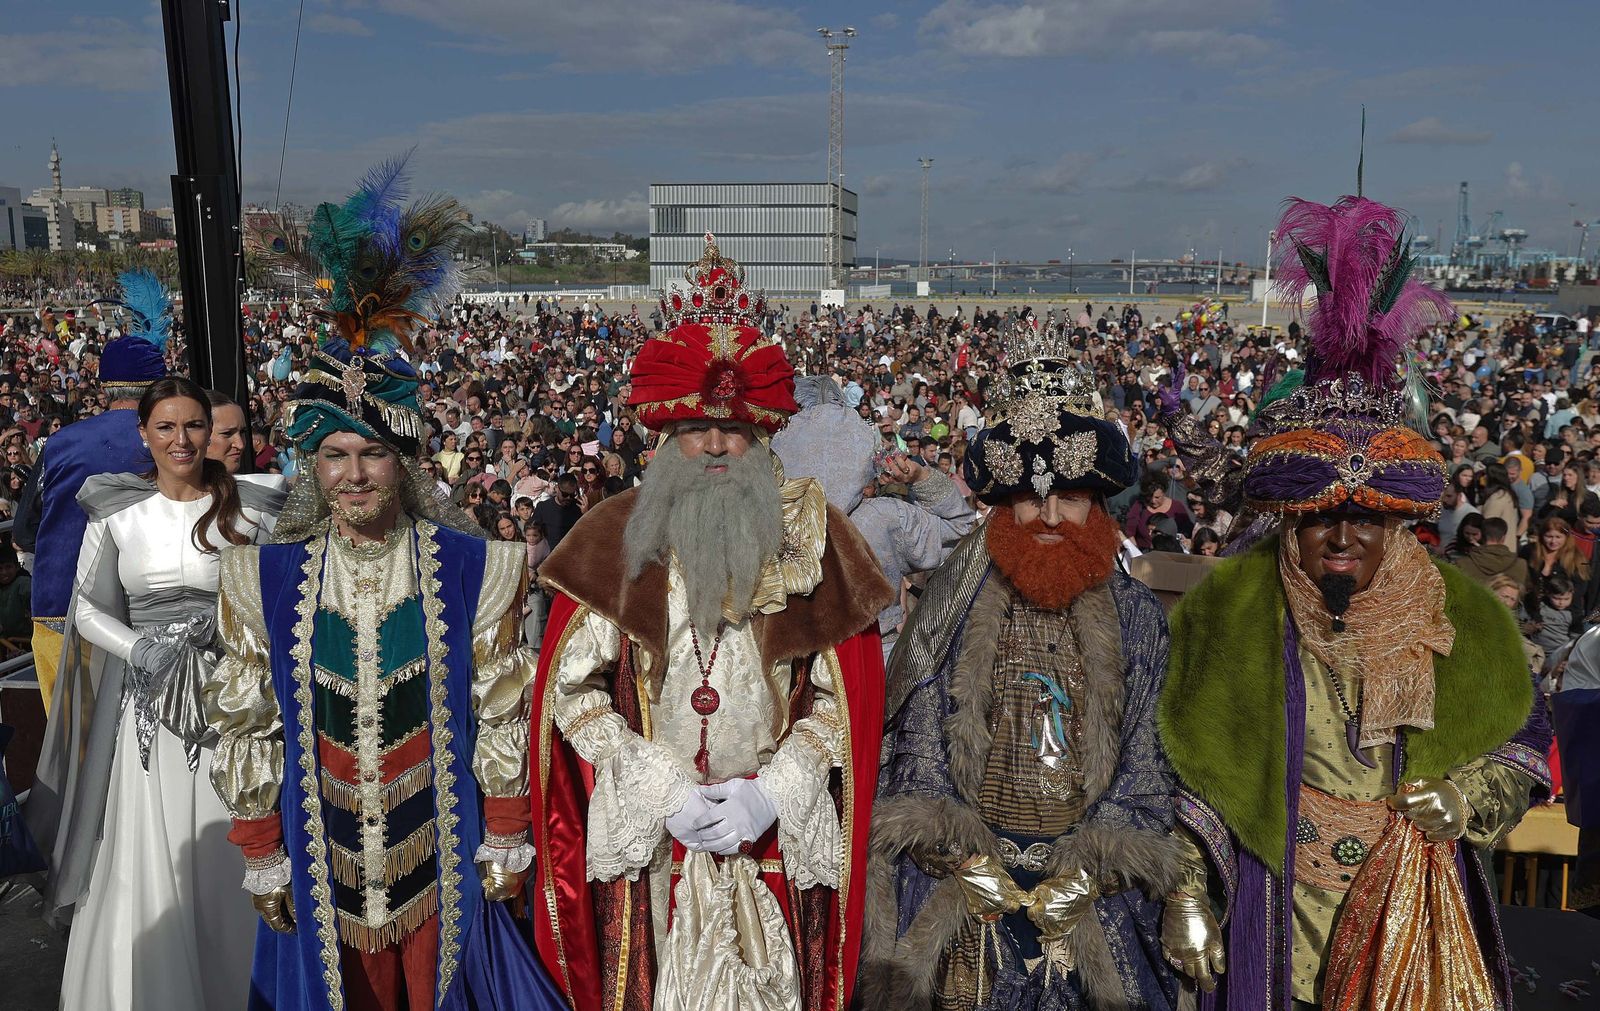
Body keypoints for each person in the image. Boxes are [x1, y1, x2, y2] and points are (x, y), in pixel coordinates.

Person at [1160, 196, 1551, 1009]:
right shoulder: (1234, 612)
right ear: (1288, 519)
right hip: (1275, 908)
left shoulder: (1463, 618)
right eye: (1321, 516)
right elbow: (1191, 764)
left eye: (1365, 516)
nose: (1342, 536)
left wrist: (1465, 797)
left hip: (1408, 917)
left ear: (1398, 521)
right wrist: (1187, 889)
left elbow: (1520, 741)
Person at [214, 164, 564, 1010]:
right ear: (311, 463)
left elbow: (499, 708)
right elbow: (249, 714)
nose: (355, 474)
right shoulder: (261, 576)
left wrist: (507, 829)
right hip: (318, 861)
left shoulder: (478, 568)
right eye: (335, 455)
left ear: (404, 461)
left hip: (446, 864)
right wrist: (260, 843)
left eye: (373, 453)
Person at [529, 235, 893, 1011]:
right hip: (656, 850)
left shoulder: (815, 540)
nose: (717, 444)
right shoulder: (615, 537)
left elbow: (843, 702)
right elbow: (569, 689)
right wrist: (657, 787)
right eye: (697, 427)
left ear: (762, 434)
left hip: (770, 843)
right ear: (666, 436)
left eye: (735, 428)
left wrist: (774, 791)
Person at [861, 323, 1182, 1009]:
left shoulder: (1136, 615)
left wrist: (1090, 871)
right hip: (965, 882)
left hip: (1093, 890)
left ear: (1098, 503)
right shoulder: (954, 601)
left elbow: (1148, 756)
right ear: (1006, 503)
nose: (1050, 515)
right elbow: (920, 736)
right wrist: (961, 855)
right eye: (1033, 497)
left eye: (1071, 497)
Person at [26, 376, 284, 1010]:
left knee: (229, 835)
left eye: (194, 425)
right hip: (148, 711)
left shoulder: (255, 508)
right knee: (151, 843)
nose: (181, 439)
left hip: (234, 707)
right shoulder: (118, 514)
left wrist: (236, 641)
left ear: (211, 431)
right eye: (166, 427)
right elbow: (87, 609)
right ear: (143, 434)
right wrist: (141, 650)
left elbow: (282, 599)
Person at [13, 269, 165, 709]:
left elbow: (24, 530)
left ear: (103, 384)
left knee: (70, 740)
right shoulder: (176, 445)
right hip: (147, 617)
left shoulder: (61, 443)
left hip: (61, 608)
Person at [773, 373, 975, 661]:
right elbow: (961, 528)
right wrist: (920, 476)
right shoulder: (883, 517)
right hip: (877, 660)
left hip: (791, 664)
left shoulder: (769, 520)